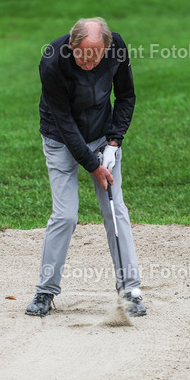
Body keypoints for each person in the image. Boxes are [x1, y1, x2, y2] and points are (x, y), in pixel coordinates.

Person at [26, 17, 146, 317]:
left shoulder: (116, 47)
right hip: (60, 139)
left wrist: (114, 143)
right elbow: (64, 123)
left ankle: (130, 291)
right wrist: (94, 165)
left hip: (103, 136)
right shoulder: (53, 61)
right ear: (71, 45)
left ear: (107, 48)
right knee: (65, 215)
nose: (90, 63)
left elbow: (127, 96)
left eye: (96, 56)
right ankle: (45, 292)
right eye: (83, 56)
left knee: (115, 209)